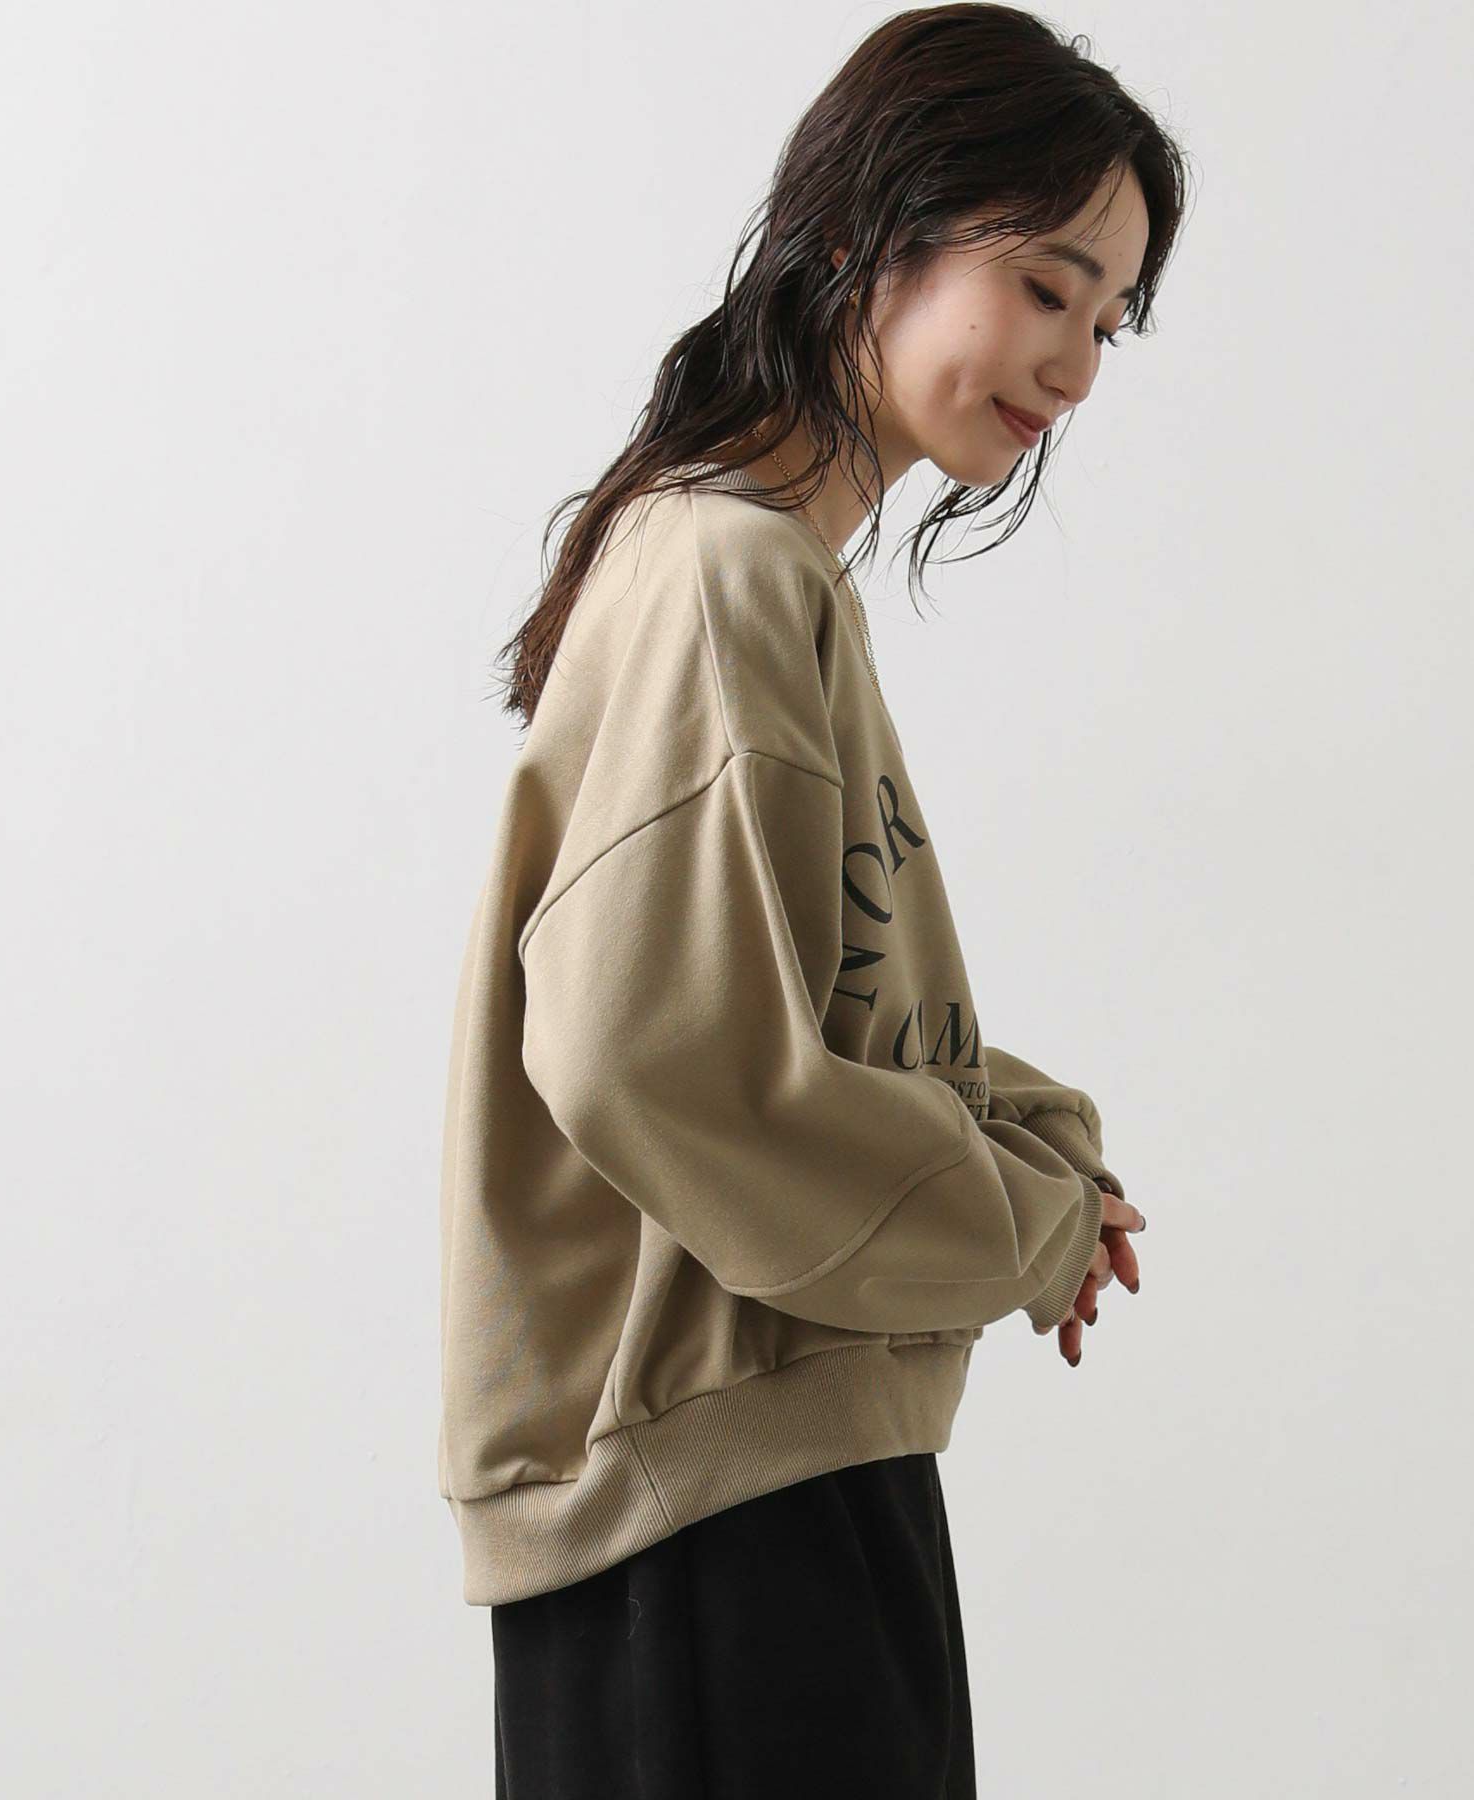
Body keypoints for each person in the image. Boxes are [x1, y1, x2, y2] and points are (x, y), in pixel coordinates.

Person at [438, 6, 1189, 1794]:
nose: (1075, 366)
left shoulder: (756, 567)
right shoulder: (725, 574)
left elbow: (803, 1015)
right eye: (1045, 284)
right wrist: (1021, 1224)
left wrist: (1035, 1155)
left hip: (751, 1480)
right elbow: (651, 1061)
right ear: (867, 230)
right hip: (716, 1514)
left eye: (1106, 320)